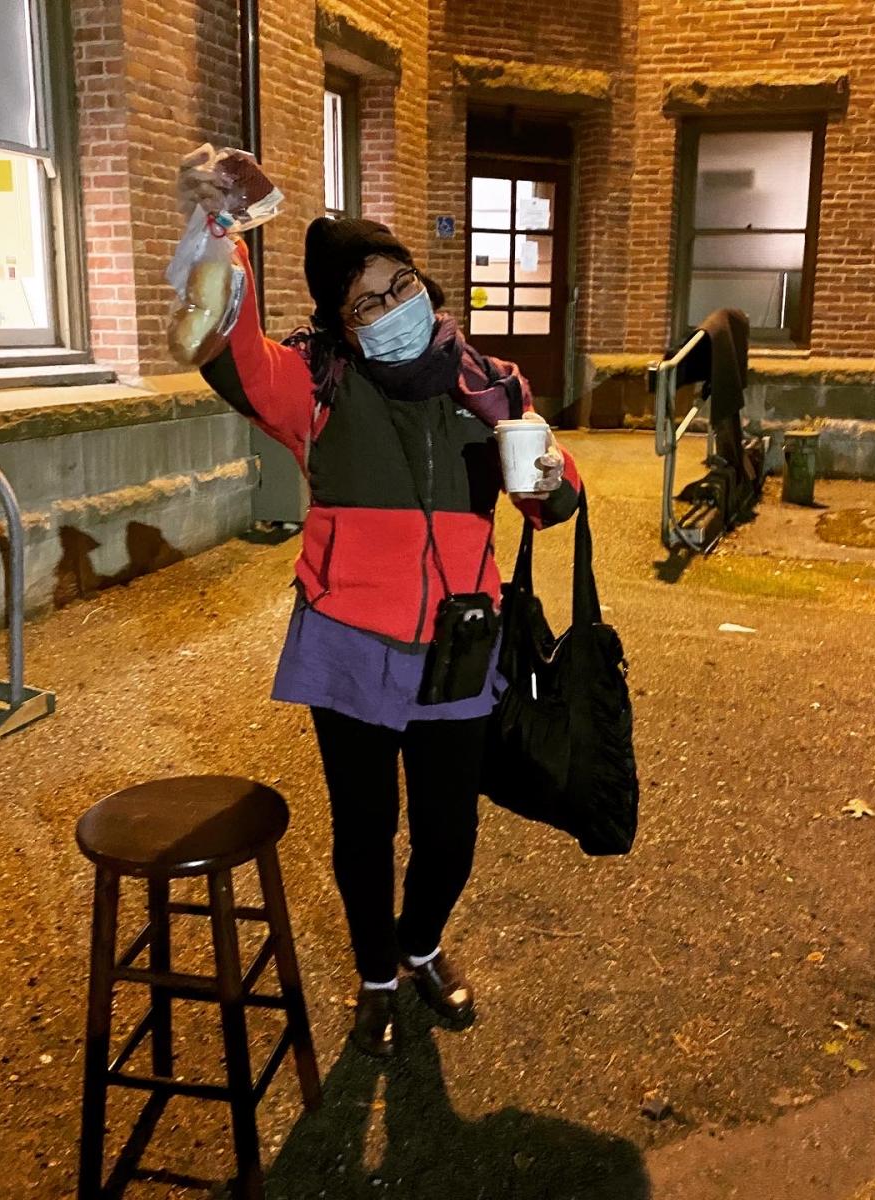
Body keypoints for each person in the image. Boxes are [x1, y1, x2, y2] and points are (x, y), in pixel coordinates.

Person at [179, 161, 582, 1058]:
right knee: (364, 828)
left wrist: (554, 484)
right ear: (340, 324)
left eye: (399, 283)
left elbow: (553, 500)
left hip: (460, 645)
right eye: (364, 302)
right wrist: (221, 233)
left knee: (449, 829)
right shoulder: (317, 389)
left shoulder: (492, 385)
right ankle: (374, 978)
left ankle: (421, 946)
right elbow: (229, 346)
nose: (391, 305)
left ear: (423, 282)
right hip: (351, 644)